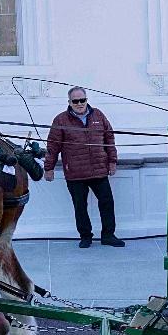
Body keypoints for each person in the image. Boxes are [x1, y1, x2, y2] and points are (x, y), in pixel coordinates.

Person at [45, 87, 125, 248]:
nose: (80, 104)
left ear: (87, 100)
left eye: (82, 100)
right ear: (69, 102)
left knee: (107, 202)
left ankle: (108, 235)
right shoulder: (60, 120)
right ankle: (85, 236)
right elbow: (53, 146)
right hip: (75, 173)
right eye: (75, 101)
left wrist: (112, 161)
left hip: (99, 170)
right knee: (80, 206)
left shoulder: (98, 115)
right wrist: (49, 168)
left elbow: (109, 138)